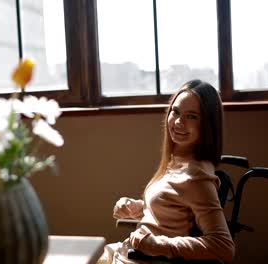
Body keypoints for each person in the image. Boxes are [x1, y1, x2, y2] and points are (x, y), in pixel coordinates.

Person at [97, 80, 235, 264]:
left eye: (191, 116)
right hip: (125, 251)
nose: (179, 122)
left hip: (139, 258)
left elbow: (223, 246)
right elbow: (173, 212)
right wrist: (137, 207)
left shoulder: (196, 177)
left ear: (207, 124)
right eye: (175, 111)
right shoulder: (177, 161)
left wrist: (156, 244)